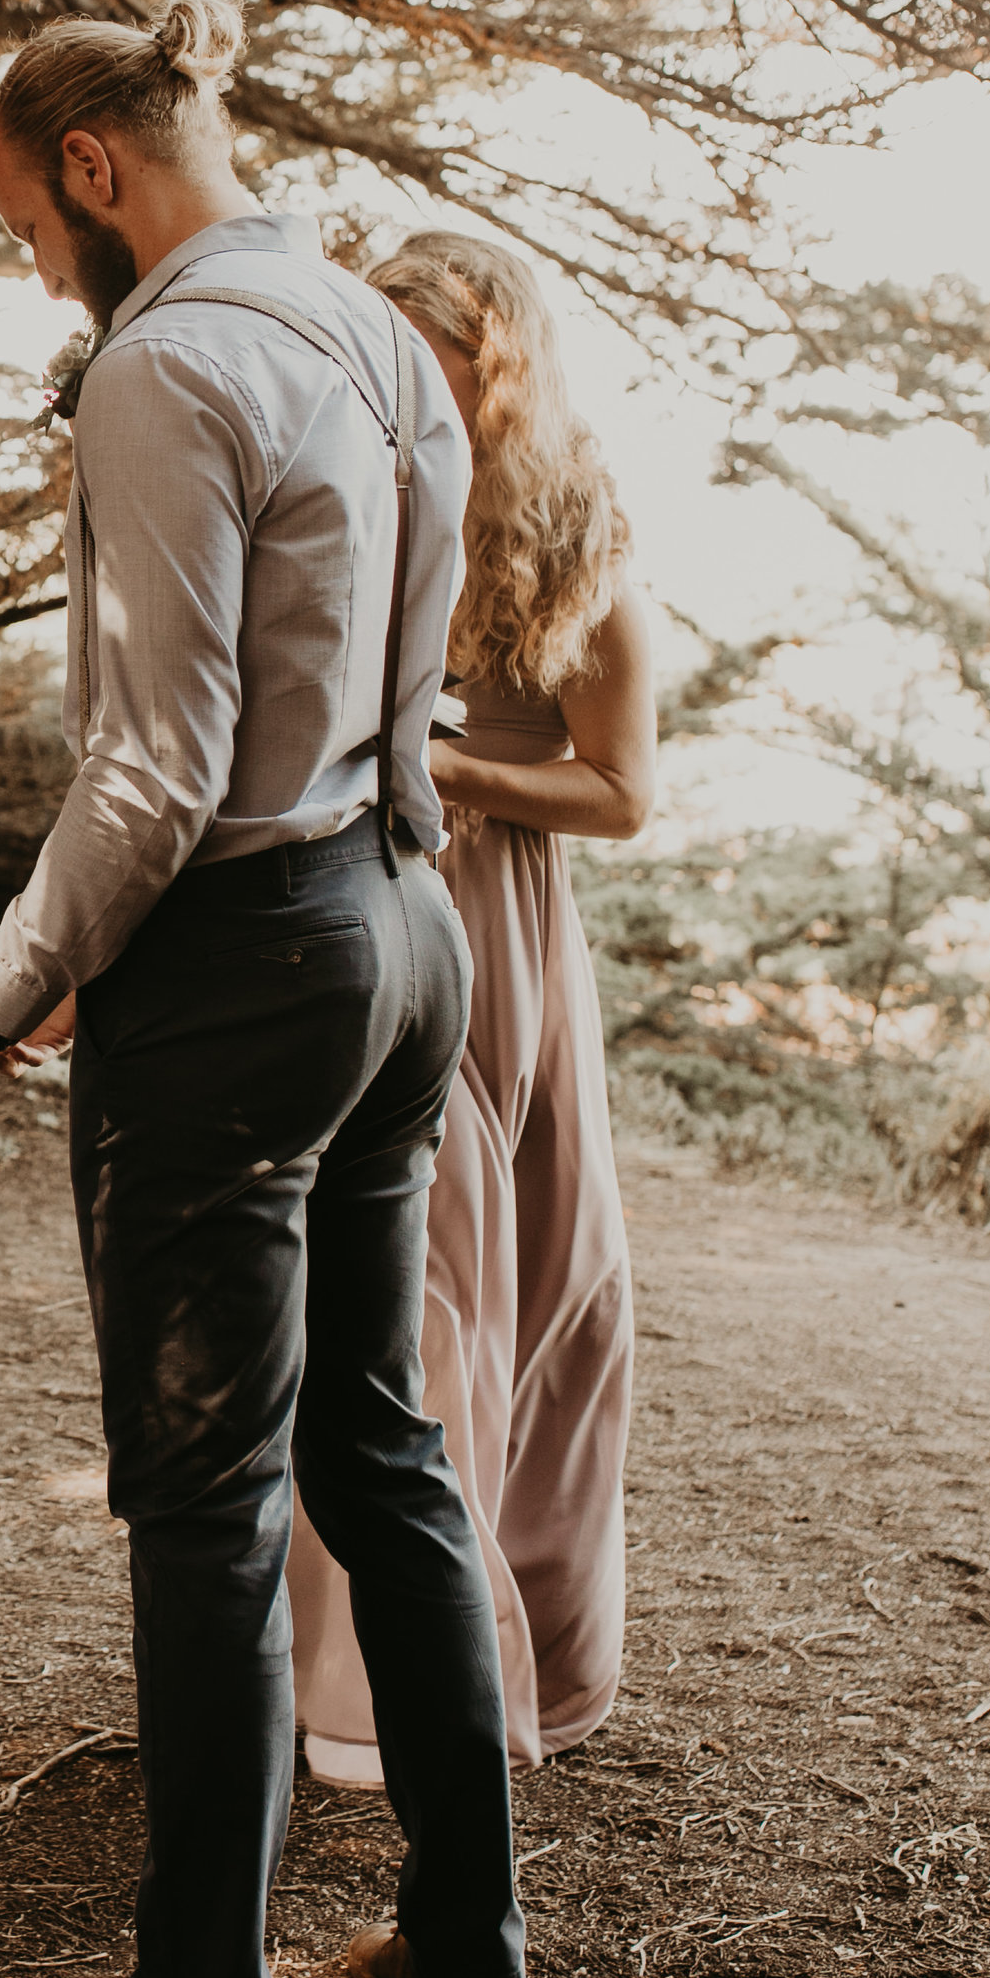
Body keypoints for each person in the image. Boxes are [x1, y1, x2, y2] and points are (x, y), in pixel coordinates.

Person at [0, 0, 541, 1978]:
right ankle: (462, 1962)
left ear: (83, 168)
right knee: (375, 1445)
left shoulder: (164, 360)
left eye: (18, 224)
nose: (34, 274)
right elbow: (398, 693)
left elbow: (148, 767)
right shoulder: (369, 329)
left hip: (241, 976)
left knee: (203, 1505)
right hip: (400, 928)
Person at [286, 233, 653, 1782]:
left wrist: (452, 766)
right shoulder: (342, 489)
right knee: (410, 1305)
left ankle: (521, 1664)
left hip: (500, 935)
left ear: (500, 361)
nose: (404, 380)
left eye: (434, 353)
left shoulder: (578, 537)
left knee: (555, 1294)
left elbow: (623, 790)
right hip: (360, 917)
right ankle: (366, 1687)